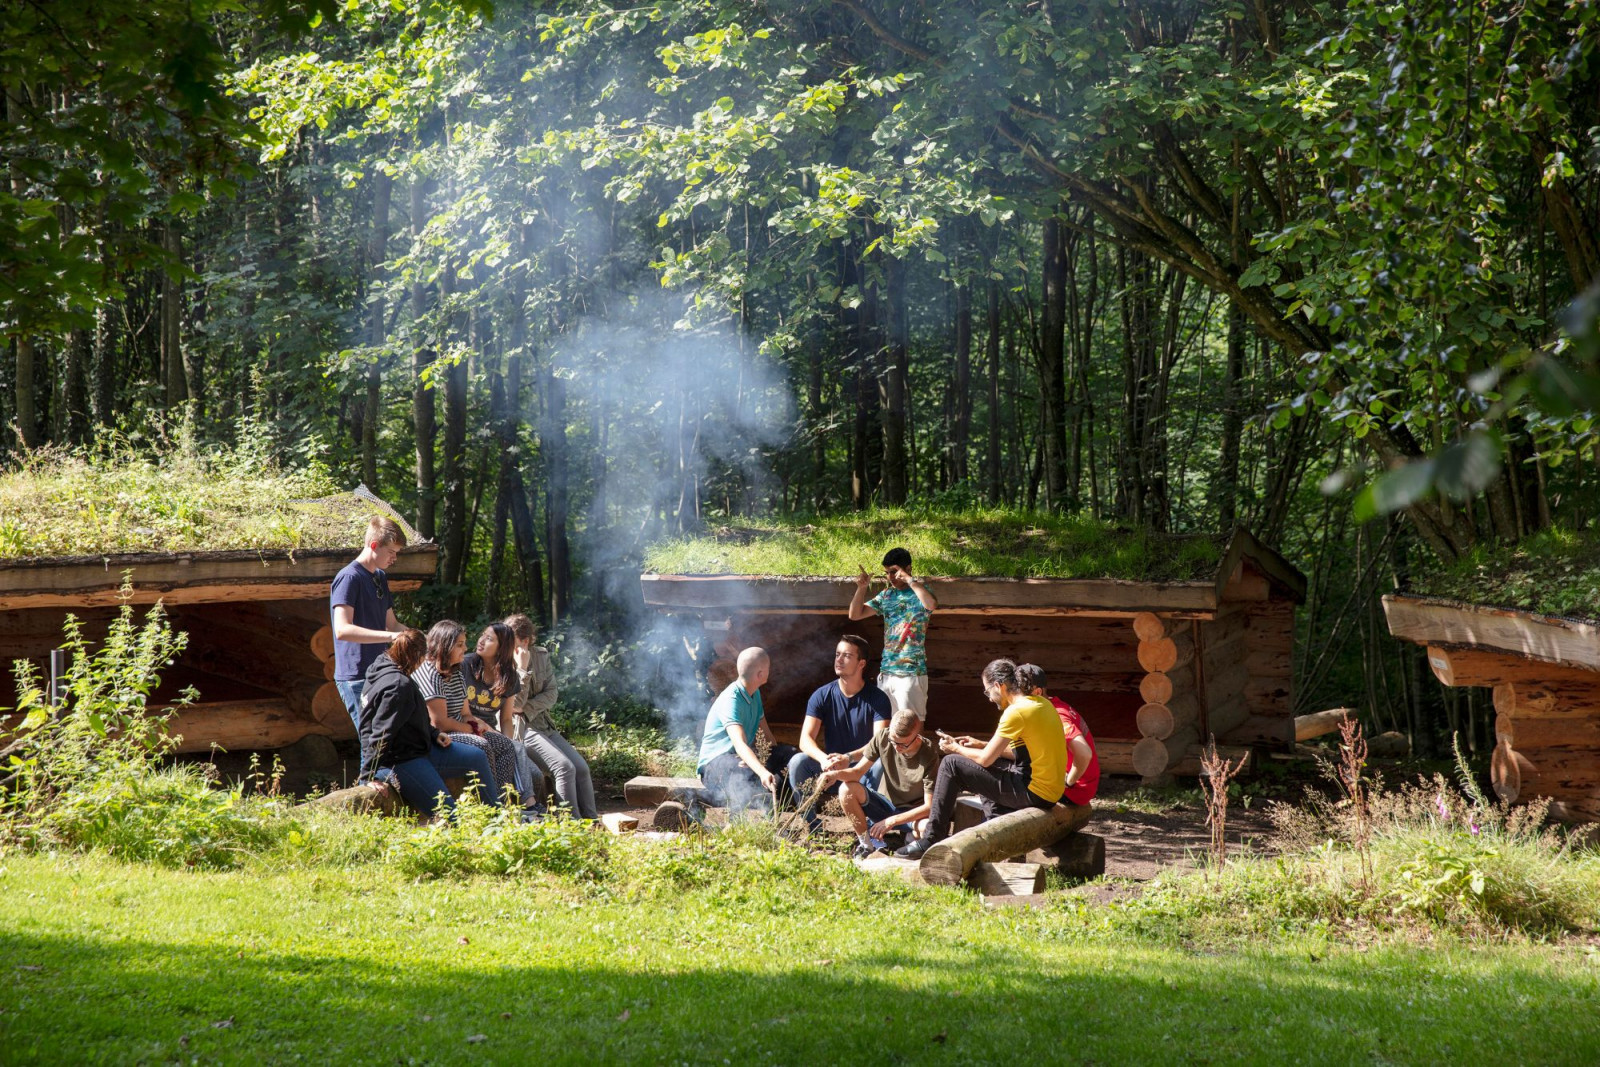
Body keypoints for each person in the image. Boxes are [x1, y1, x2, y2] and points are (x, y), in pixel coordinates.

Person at [895, 658, 1067, 860]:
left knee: (951, 764)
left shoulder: (1016, 712)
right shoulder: (1040, 703)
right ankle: (1001, 836)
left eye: (987, 691)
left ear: (999, 686)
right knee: (981, 772)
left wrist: (955, 748)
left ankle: (931, 838)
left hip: (1033, 792)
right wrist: (979, 744)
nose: (989, 698)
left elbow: (985, 760)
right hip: (1051, 792)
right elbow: (1018, 753)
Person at [357, 628, 496, 818]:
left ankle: (497, 816)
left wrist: (433, 733)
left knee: (477, 756)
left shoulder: (383, 662)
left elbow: (410, 716)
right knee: (450, 816)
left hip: (421, 747)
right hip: (402, 761)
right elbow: (380, 733)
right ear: (416, 656)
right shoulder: (397, 686)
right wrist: (367, 776)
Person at [787, 635, 891, 831]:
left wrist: (848, 758)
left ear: (861, 664)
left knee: (879, 764)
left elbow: (879, 743)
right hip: (830, 769)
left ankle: (872, 831)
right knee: (798, 761)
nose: (839, 660)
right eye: (837, 654)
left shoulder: (878, 698)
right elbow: (805, 739)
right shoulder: (822, 695)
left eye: (847, 656)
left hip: (862, 770)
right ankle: (811, 825)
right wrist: (824, 760)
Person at [330, 516, 409, 766]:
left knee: (386, 738)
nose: (394, 558)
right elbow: (342, 629)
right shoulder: (349, 577)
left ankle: (382, 784)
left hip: (379, 672)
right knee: (371, 742)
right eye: (391, 552)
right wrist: (391, 637)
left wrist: (420, 638)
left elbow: (393, 624)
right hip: (355, 676)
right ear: (373, 545)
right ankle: (368, 786)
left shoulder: (380, 577)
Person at [504, 613, 598, 821]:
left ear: (525, 641)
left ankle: (592, 821)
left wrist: (526, 708)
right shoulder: (504, 663)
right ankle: (572, 824)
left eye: (510, 639)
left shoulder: (540, 655)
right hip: (521, 728)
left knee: (581, 768)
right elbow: (514, 705)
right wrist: (522, 669)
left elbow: (551, 694)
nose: (505, 644)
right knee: (563, 768)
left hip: (542, 723)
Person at [819, 708, 942, 859]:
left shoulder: (929, 754)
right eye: (893, 741)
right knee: (846, 789)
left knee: (930, 830)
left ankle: (908, 837)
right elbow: (857, 772)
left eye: (903, 745)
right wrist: (835, 774)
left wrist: (893, 821)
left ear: (916, 737)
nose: (896, 748)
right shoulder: (883, 736)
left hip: (912, 813)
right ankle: (866, 845)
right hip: (885, 804)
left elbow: (929, 806)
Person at [695, 647, 799, 819]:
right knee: (743, 769)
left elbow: (767, 737)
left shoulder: (754, 693)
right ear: (760, 674)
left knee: (789, 754)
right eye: (768, 668)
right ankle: (733, 820)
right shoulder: (731, 699)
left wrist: (775, 759)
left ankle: (773, 812)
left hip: (740, 759)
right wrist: (762, 771)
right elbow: (740, 744)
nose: (770, 671)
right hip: (714, 766)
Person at [848, 546, 937, 718]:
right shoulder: (886, 595)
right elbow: (855, 614)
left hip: (911, 673)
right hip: (886, 673)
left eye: (894, 571)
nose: (890, 577)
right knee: (884, 725)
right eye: (887, 573)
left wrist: (909, 580)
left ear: (908, 568)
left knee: (911, 725)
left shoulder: (920, 591)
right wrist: (862, 588)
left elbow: (931, 604)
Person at [1016, 662, 1099, 806]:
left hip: (1074, 791)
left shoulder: (1058, 715)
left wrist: (1068, 782)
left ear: (1037, 692)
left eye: (1019, 695)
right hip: (1079, 787)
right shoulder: (1055, 705)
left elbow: (1084, 753)